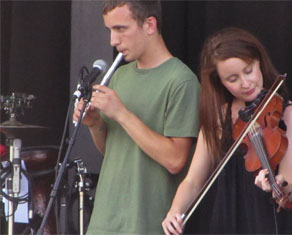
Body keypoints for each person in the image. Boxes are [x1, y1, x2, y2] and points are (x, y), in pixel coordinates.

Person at [162, 27, 292, 234]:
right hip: (227, 223)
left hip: (270, 225)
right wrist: (175, 212)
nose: (245, 83)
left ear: (259, 62)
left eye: (248, 70)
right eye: (233, 79)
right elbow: (193, 180)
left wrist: (277, 187)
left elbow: (289, 185)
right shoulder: (218, 117)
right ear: (220, 82)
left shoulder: (290, 115)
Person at [73, 0, 200, 234]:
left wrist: (121, 114)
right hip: (105, 221)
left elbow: (175, 160)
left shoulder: (181, 80)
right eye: (110, 30)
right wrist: (96, 124)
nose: (113, 40)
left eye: (121, 29)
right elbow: (114, 152)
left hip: (145, 223)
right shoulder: (120, 76)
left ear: (149, 25)